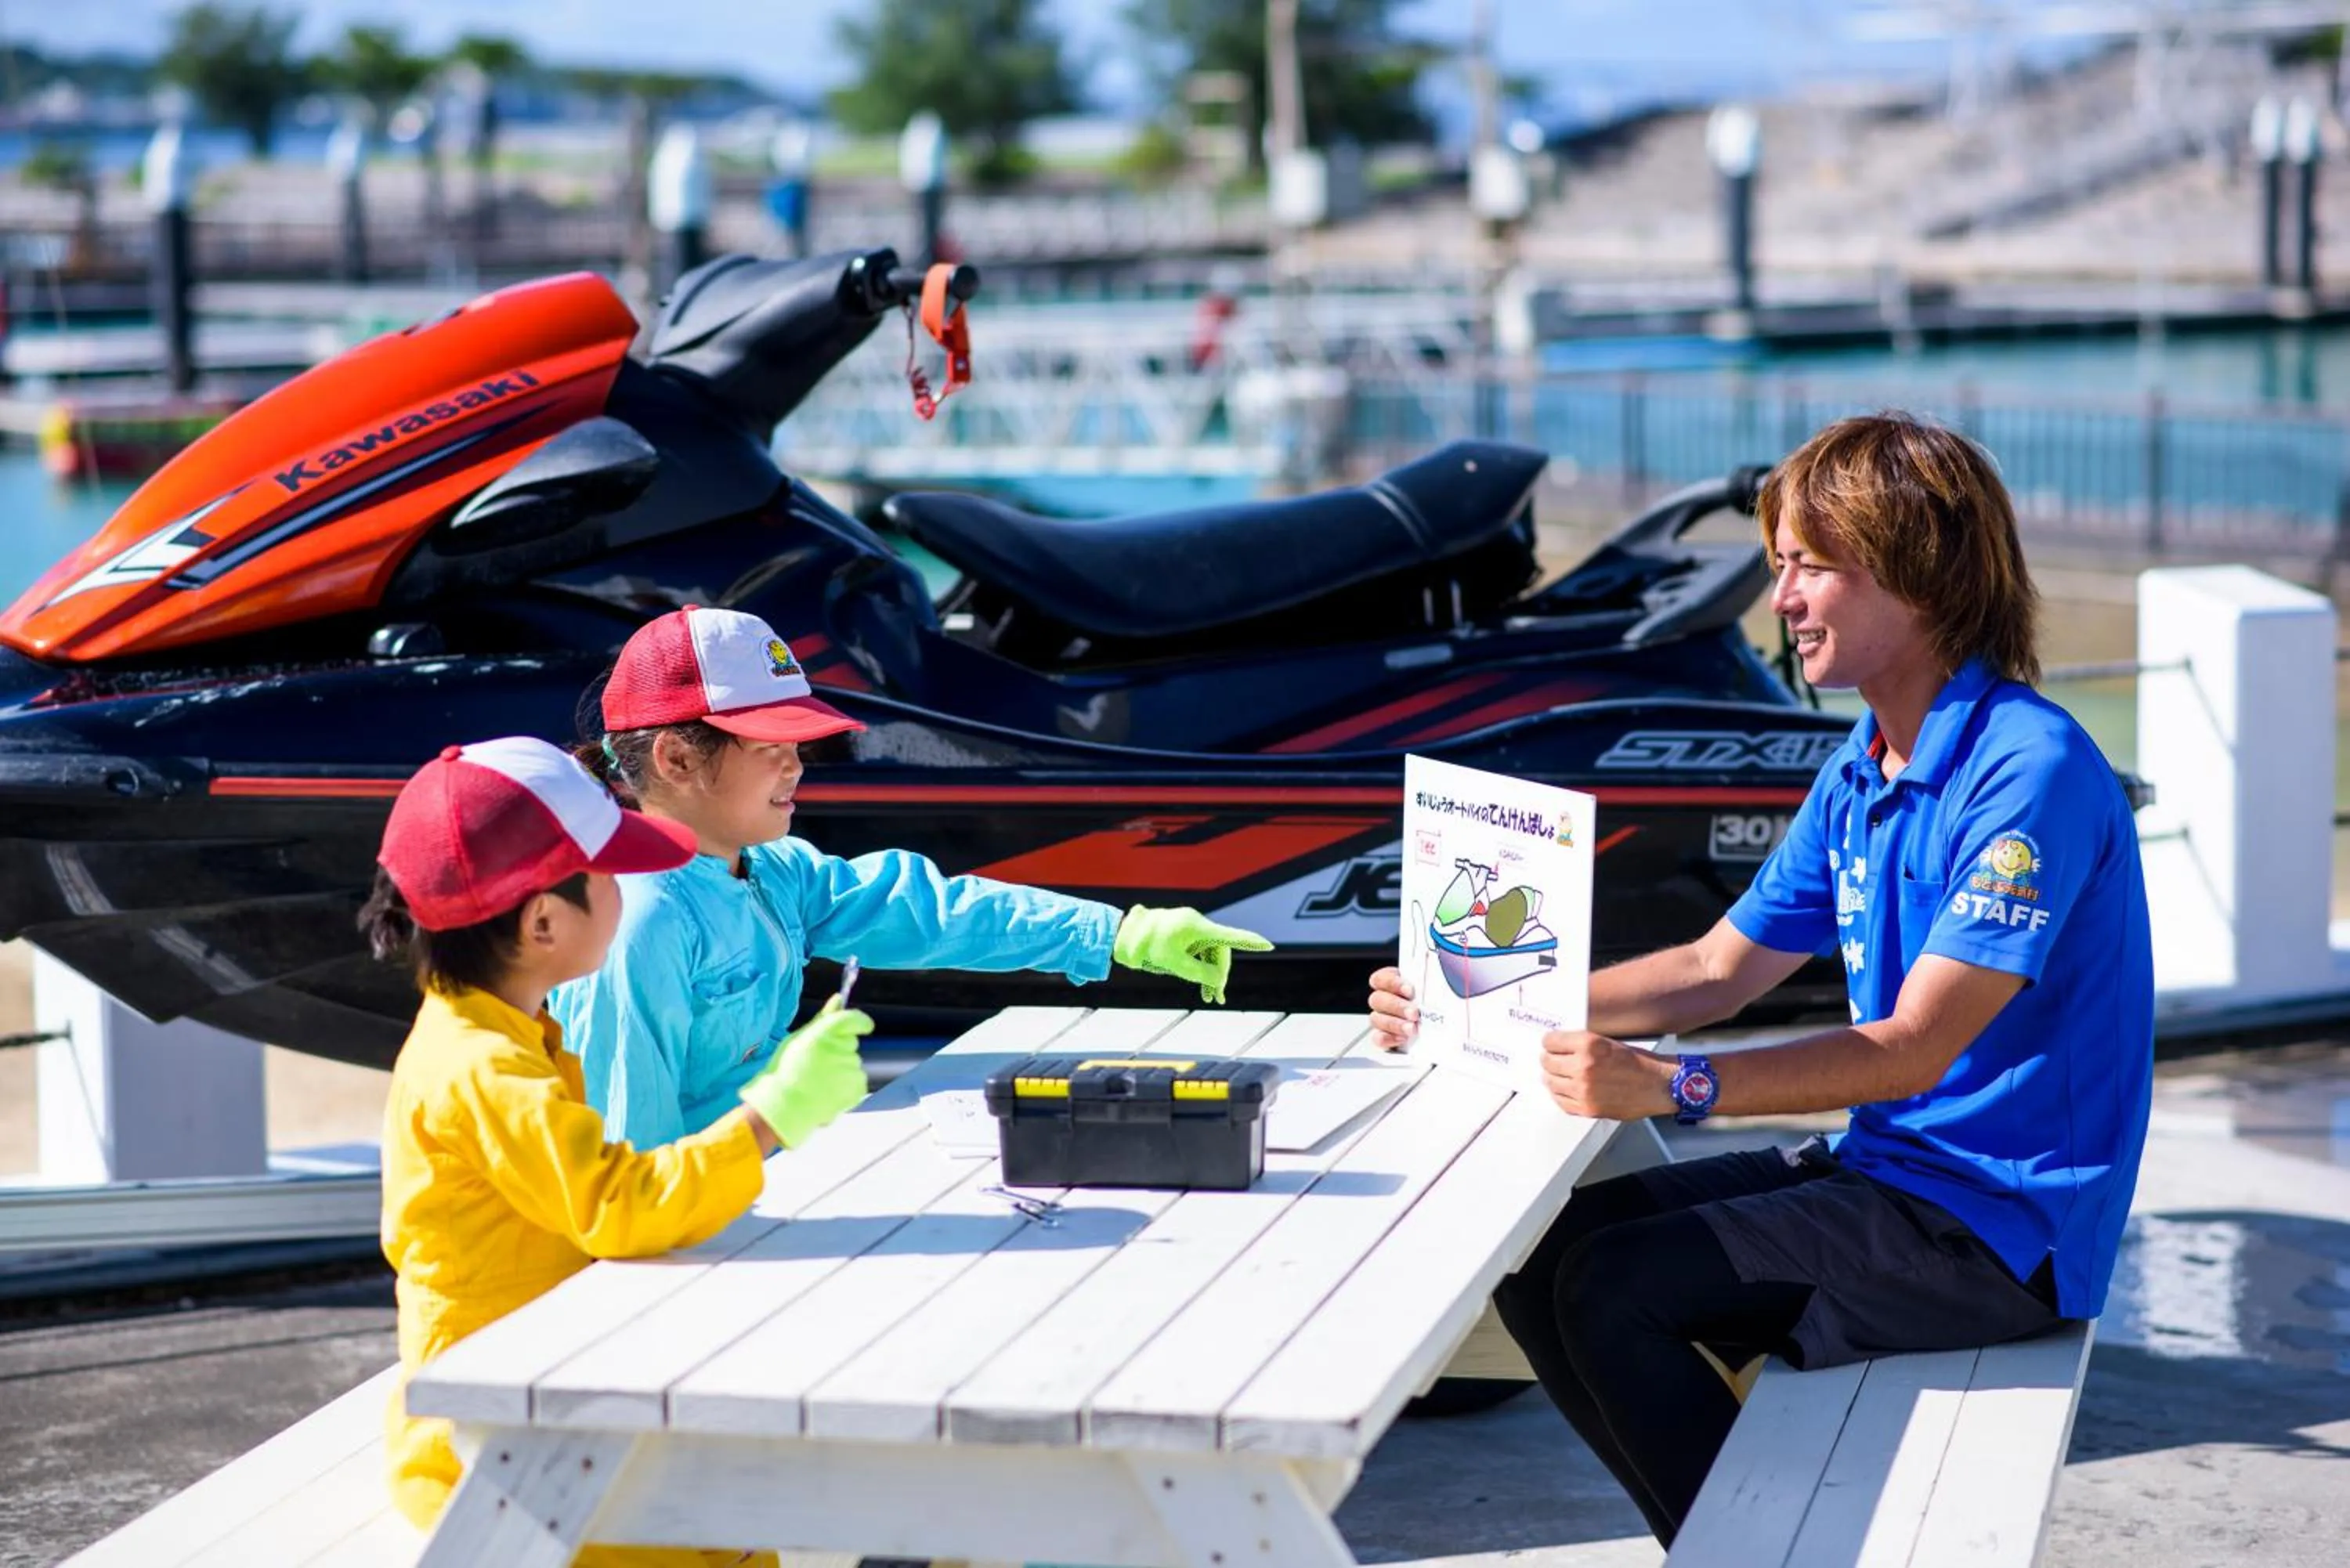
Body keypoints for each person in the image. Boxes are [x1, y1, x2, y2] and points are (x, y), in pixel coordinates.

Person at [1366, 413, 2153, 1548]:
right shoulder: (1866, 761)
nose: (1780, 599)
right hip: (1891, 1175)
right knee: (1542, 1257)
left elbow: (1914, 1048)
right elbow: (1713, 968)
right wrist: (1466, 997)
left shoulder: (2030, 771)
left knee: (1616, 1288)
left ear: (1919, 572)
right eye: (1780, 564)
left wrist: (1672, 1089)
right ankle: (1747, 1536)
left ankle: (1759, 1546)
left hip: (1999, 1230)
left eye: (1811, 567)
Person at [363, 735, 874, 1565]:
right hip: (495, 1451)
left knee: (755, 1517)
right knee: (763, 1515)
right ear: (541, 921)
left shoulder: (504, 1030)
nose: (633, 890)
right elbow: (618, 1206)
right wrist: (770, 1117)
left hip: (545, 1400)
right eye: (612, 878)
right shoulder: (480, 1065)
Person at [555, 604, 1271, 1148]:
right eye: (772, 745)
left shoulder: (774, 871)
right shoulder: (635, 926)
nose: (797, 765)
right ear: (678, 760)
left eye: (800, 743)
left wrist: (1120, 934)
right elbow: (629, 1166)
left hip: (753, 1194)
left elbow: (935, 913)